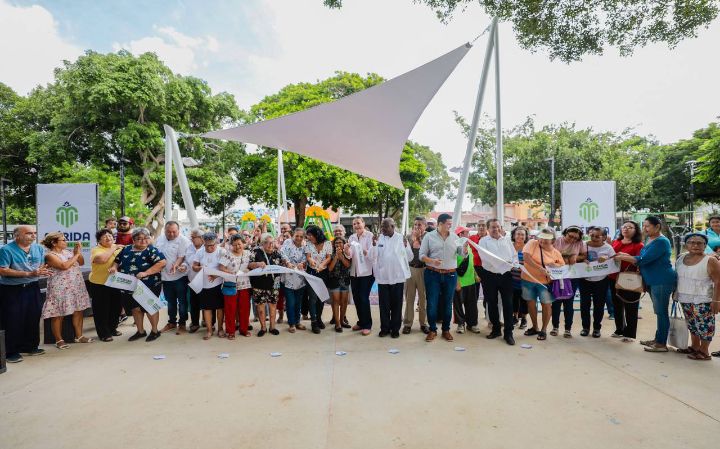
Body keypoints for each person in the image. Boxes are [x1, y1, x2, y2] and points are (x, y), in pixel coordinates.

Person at [616, 216, 677, 353]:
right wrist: (625, 255)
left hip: (661, 280)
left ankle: (661, 343)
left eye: (647, 226)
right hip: (652, 280)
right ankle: (658, 339)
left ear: (657, 227)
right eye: (643, 226)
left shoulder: (661, 241)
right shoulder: (650, 239)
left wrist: (623, 257)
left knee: (661, 312)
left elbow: (644, 259)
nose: (644, 228)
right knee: (659, 312)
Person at [0, 226, 51, 363]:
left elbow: (40, 266)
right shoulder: (6, 250)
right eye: (29, 233)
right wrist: (29, 273)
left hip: (32, 287)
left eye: (34, 233)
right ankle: (10, 352)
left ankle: (29, 346)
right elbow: (3, 270)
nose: (33, 235)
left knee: (33, 317)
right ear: (17, 236)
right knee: (12, 320)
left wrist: (41, 271)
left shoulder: (38, 248)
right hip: (12, 289)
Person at [110, 227, 166, 342]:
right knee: (135, 308)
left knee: (150, 307)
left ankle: (155, 331)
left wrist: (146, 273)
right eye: (139, 238)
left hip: (149, 284)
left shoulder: (151, 250)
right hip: (129, 285)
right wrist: (114, 268)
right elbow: (117, 261)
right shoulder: (126, 249)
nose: (143, 241)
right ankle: (140, 331)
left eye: (146, 238)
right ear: (133, 239)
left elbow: (162, 263)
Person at [40, 232, 94, 348]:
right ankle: (59, 340)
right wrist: (76, 255)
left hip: (76, 286)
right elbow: (64, 266)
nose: (66, 242)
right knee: (58, 313)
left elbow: (81, 262)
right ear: (54, 243)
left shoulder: (68, 252)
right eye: (63, 240)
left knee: (78, 310)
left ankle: (79, 336)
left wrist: (76, 252)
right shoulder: (50, 255)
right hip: (60, 288)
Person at [420, 213, 466, 342]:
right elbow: (421, 255)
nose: (451, 226)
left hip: (450, 275)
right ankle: (432, 330)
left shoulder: (455, 237)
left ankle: (446, 330)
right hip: (432, 274)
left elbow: (461, 254)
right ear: (440, 224)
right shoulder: (429, 236)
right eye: (448, 224)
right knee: (432, 303)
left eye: (451, 224)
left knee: (448, 303)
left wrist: (464, 251)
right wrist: (432, 261)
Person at [674, 233, 720, 361]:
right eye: (692, 242)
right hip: (685, 297)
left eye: (700, 243)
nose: (695, 245)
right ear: (686, 245)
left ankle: (704, 351)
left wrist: (716, 300)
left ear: (705, 246)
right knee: (692, 324)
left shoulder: (710, 260)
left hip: (703, 299)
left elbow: (718, 281)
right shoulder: (680, 258)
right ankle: (695, 346)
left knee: (705, 326)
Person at [478, 219, 519, 345]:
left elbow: (514, 256)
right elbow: (485, 258)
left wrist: (514, 264)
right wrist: (502, 264)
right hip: (489, 275)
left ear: (500, 227)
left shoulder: (506, 240)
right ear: (488, 229)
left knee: (508, 304)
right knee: (492, 303)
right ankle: (496, 329)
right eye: (492, 227)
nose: (495, 229)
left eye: (497, 227)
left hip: (506, 276)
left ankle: (508, 333)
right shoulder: (483, 241)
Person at [370, 218, 412, 338]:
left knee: (396, 305)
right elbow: (373, 256)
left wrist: (406, 246)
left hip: (397, 278)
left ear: (393, 227)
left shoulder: (401, 238)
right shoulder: (379, 238)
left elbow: (409, 257)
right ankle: (385, 328)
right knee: (384, 306)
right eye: (382, 226)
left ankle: (395, 329)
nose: (382, 229)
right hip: (383, 278)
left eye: (385, 226)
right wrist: (374, 245)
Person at [521, 228, 565, 341]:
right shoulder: (532, 243)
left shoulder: (556, 253)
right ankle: (535, 327)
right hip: (528, 280)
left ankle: (544, 330)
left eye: (546, 239)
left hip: (545, 283)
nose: (542, 241)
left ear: (553, 240)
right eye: (541, 238)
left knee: (546, 305)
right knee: (531, 303)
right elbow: (526, 257)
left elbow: (562, 267)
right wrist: (540, 268)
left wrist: (555, 266)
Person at [609, 221, 644, 342]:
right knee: (617, 306)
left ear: (636, 230)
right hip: (613, 278)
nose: (626, 229)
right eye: (624, 227)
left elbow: (639, 261)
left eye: (630, 227)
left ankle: (629, 334)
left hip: (630, 279)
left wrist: (624, 257)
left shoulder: (639, 245)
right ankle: (619, 329)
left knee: (631, 307)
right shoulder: (615, 242)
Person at [579, 226, 616, 338]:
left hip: (601, 280)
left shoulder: (608, 248)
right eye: (592, 236)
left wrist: (607, 259)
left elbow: (615, 262)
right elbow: (576, 257)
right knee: (584, 305)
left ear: (604, 237)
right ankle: (585, 328)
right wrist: (582, 259)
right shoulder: (583, 245)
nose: (594, 238)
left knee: (599, 305)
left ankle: (596, 328)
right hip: (585, 279)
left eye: (597, 236)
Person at [88, 229, 124, 342]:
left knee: (116, 308)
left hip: (116, 283)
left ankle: (112, 329)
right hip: (99, 283)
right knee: (101, 310)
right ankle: (103, 333)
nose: (108, 238)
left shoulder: (120, 248)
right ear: (99, 240)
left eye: (110, 235)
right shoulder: (96, 250)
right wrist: (113, 248)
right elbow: (102, 259)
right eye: (104, 237)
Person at [156, 221, 191, 334]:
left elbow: (182, 257)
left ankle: (182, 323)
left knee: (182, 302)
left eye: (174, 232)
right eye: (168, 232)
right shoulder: (160, 239)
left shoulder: (183, 240)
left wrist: (176, 265)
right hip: (165, 277)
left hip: (180, 277)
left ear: (178, 230)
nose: (171, 234)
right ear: (164, 230)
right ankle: (171, 322)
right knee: (170, 302)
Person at [551, 225, 586, 338]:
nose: (572, 239)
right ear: (565, 233)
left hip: (572, 276)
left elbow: (584, 255)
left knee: (569, 303)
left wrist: (576, 258)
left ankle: (568, 329)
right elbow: (548, 254)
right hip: (557, 275)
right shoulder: (557, 241)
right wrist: (562, 259)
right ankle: (555, 327)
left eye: (576, 238)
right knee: (556, 302)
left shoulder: (580, 243)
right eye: (570, 236)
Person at [248, 233, 284, 336]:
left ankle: (272, 327)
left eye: (272, 243)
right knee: (260, 307)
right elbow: (249, 265)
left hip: (274, 284)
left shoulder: (277, 253)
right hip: (259, 284)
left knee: (273, 306)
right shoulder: (256, 252)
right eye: (268, 243)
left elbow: (284, 264)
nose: (270, 245)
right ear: (262, 243)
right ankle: (263, 328)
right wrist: (257, 264)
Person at [192, 232, 226, 340]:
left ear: (216, 242)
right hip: (204, 285)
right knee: (206, 308)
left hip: (219, 284)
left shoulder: (221, 251)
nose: (210, 248)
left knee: (220, 308)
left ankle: (220, 328)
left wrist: (216, 275)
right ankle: (209, 330)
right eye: (207, 245)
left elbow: (225, 268)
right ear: (204, 243)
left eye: (212, 245)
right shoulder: (200, 252)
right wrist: (199, 268)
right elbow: (194, 266)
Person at [218, 234, 252, 339]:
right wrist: (230, 273)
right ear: (231, 245)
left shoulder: (248, 253)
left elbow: (252, 265)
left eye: (239, 244)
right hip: (231, 285)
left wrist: (250, 269)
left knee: (245, 309)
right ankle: (230, 332)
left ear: (243, 244)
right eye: (235, 244)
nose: (237, 246)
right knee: (230, 310)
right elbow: (221, 267)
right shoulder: (227, 254)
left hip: (245, 285)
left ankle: (244, 329)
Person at [347, 216, 375, 336]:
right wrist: (346, 250)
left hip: (367, 272)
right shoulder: (351, 237)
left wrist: (362, 250)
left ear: (363, 224)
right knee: (356, 298)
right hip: (354, 272)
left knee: (363, 297)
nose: (356, 225)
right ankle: (361, 322)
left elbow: (372, 254)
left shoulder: (370, 236)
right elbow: (349, 255)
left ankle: (367, 325)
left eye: (358, 223)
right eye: (354, 224)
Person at [403, 216, 429, 335]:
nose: (417, 227)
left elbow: (429, 252)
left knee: (423, 298)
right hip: (410, 269)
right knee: (409, 298)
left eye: (419, 224)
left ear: (425, 226)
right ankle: (407, 324)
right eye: (415, 224)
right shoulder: (408, 237)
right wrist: (413, 240)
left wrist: (419, 239)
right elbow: (405, 253)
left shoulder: (429, 237)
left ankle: (423, 324)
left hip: (424, 270)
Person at [280, 228, 308, 333]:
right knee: (290, 302)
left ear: (304, 237)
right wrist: (287, 262)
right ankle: (291, 323)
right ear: (293, 235)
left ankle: (297, 322)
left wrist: (303, 263)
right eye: (297, 236)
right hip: (288, 278)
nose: (299, 238)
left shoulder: (305, 246)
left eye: (301, 236)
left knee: (298, 302)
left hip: (300, 279)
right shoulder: (288, 242)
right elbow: (282, 253)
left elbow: (307, 257)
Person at [305, 225, 332, 333]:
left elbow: (329, 257)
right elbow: (308, 256)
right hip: (311, 273)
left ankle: (319, 318)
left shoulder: (327, 243)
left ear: (317, 234)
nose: (308, 237)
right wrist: (311, 261)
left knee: (321, 298)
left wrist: (322, 265)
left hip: (323, 273)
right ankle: (314, 321)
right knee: (313, 298)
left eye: (310, 235)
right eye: (308, 235)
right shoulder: (308, 244)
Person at [452, 226, 479, 335]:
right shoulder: (455, 248)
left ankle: (472, 324)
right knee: (458, 304)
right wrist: (456, 281)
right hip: (460, 282)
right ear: (460, 235)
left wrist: (475, 275)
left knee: (472, 304)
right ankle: (460, 324)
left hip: (471, 281)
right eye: (466, 233)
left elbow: (471, 264)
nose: (468, 235)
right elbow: (452, 266)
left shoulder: (469, 247)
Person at [328, 236, 352, 332]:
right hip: (334, 280)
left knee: (344, 301)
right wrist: (336, 257)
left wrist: (341, 257)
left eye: (340, 242)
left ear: (344, 244)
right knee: (336, 301)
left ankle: (342, 321)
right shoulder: (331, 254)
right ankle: (337, 323)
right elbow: (330, 268)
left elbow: (348, 265)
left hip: (345, 280)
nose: (338, 244)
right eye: (336, 243)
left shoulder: (348, 253)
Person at [185, 227, 206, 333]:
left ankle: (208, 322)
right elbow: (187, 261)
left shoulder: (207, 247)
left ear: (201, 238)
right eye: (191, 237)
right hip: (193, 280)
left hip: (206, 281)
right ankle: (195, 323)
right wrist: (184, 266)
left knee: (207, 303)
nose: (192, 239)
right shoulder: (189, 247)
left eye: (194, 237)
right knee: (194, 303)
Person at [510, 226, 529, 330]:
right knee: (513, 300)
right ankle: (515, 317)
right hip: (511, 279)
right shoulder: (509, 247)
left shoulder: (528, 248)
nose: (520, 236)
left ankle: (524, 318)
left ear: (525, 236)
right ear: (514, 235)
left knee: (524, 300)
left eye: (522, 234)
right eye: (518, 234)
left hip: (525, 280)